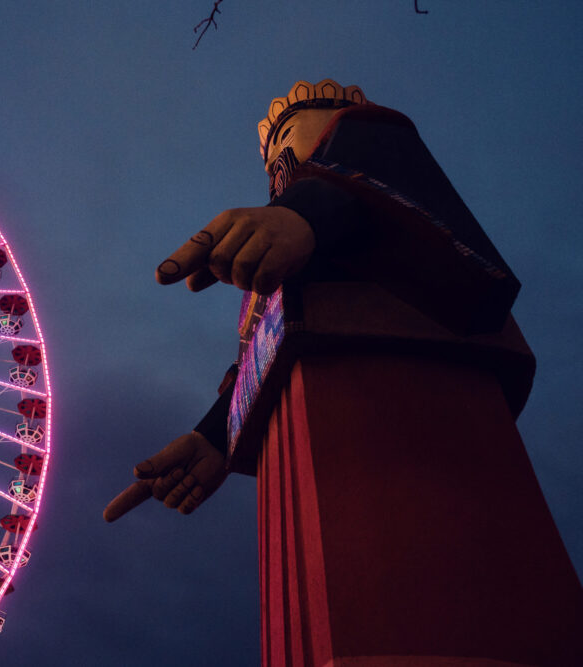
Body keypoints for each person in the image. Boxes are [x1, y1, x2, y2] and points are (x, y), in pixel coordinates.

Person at [104, 80, 583, 666]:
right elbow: (261, 350)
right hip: (304, 444)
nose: (278, 154)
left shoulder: (372, 145)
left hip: (405, 417)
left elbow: (382, 186)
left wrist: (309, 213)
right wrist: (216, 435)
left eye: (288, 134)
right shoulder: (282, 252)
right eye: (270, 144)